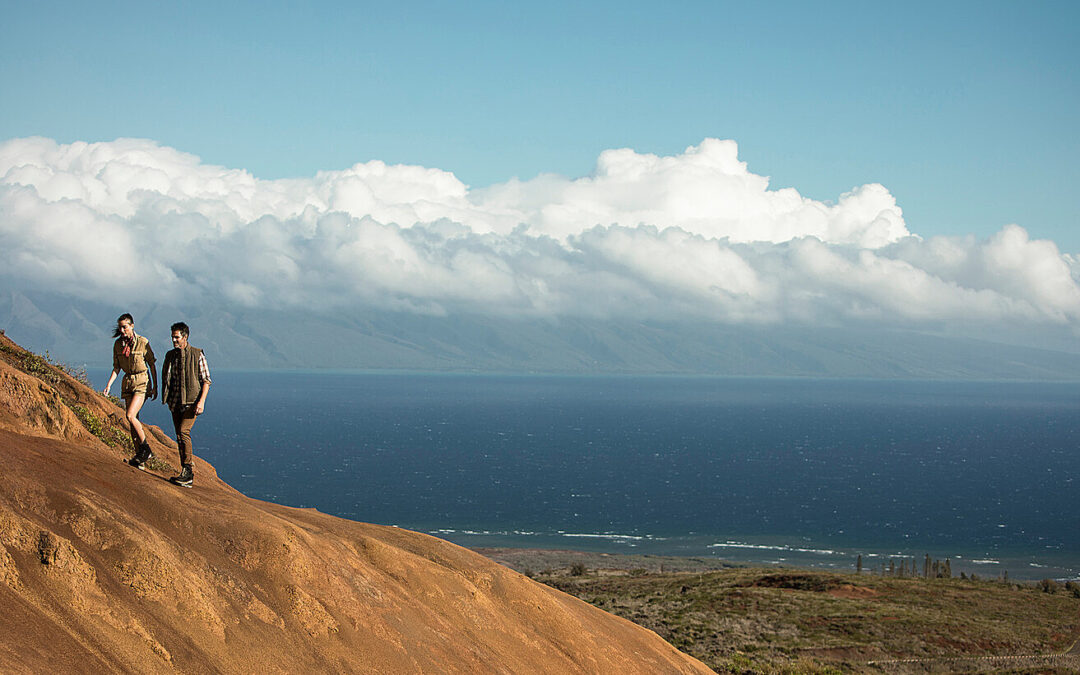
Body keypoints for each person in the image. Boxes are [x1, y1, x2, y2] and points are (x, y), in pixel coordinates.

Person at [102, 313, 158, 467]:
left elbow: (152, 364)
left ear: (132, 326)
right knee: (133, 421)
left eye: (124, 327)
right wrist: (109, 385)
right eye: (120, 327)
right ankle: (139, 458)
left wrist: (154, 386)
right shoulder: (118, 345)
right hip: (127, 383)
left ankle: (146, 448)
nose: (122, 330)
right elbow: (117, 367)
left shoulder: (142, 342)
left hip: (141, 382)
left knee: (130, 415)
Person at [160, 321, 211, 488]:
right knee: (179, 437)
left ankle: (188, 470)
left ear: (185, 337)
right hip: (175, 403)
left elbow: (206, 380)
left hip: (191, 402)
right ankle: (184, 472)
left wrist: (201, 402)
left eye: (177, 337)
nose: (174, 341)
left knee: (183, 432)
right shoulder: (170, 356)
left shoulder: (197, 354)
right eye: (172, 337)